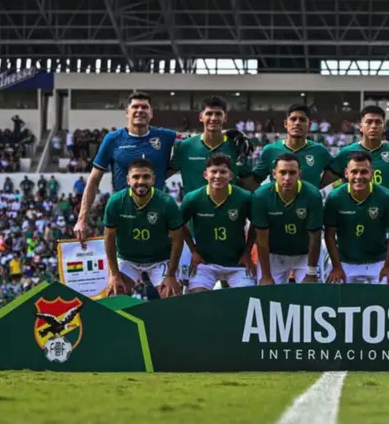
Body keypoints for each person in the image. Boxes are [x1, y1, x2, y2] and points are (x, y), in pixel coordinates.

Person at [75, 91, 183, 241]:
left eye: (144, 107)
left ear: (151, 113)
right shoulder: (112, 139)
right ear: (127, 112)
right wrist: (81, 219)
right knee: (119, 254)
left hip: (157, 214)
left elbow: (195, 143)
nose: (140, 110)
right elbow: (93, 180)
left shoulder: (165, 136)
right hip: (123, 215)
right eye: (135, 107)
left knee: (159, 253)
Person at [102, 159, 185, 298]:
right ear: (128, 180)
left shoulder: (166, 202)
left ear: (153, 180)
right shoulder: (116, 201)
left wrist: (171, 275)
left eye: (146, 176)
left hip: (159, 260)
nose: (141, 181)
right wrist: (114, 275)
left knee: (171, 296)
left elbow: (177, 240)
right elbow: (109, 239)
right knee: (114, 294)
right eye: (136, 177)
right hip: (127, 259)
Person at [180, 154, 255, 292]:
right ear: (205, 175)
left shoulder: (245, 197)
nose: (218, 176)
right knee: (198, 299)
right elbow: (178, 226)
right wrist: (193, 250)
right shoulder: (192, 199)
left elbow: (257, 225)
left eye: (223, 172)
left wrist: (247, 252)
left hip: (237, 263)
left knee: (246, 299)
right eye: (213, 172)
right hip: (205, 263)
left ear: (231, 175)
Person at [324, 152, 389, 284]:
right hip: (344, 262)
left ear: (372, 173)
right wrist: (336, 267)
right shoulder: (335, 197)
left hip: (379, 261)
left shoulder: (386, 196)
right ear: (346, 173)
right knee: (335, 292)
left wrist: (388, 265)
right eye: (354, 172)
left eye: (364, 172)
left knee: (387, 292)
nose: (359, 177)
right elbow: (329, 234)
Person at [251, 153, 324, 285]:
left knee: (312, 293)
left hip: (306, 254)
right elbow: (261, 239)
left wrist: (311, 272)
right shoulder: (261, 196)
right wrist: (266, 275)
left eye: (292, 173)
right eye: (283, 172)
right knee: (267, 293)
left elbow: (315, 236)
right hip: (274, 254)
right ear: (274, 174)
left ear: (299, 174)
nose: (287, 178)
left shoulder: (313, 195)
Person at [169, 95, 254, 193]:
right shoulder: (185, 147)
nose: (213, 118)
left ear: (225, 117)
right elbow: (162, 175)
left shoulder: (236, 147)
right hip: (192, 203)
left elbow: (250, 184)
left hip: (227, 203)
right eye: (209, 113)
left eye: (218, 114)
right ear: (201, 117)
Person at [248, 104, 338, 189]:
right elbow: (254, 180)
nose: (297, 123)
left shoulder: (320, 150)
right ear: (285, 124)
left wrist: (317, 188)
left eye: (302, 119)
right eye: (293, 119)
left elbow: (336, 171)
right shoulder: (270, 150)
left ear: (309, 125)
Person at [328, 105, 389, 191]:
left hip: (386, 200)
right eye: (369, 122)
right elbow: (323, 182)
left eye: (378, 122)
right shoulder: (345, 153)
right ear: (360, 127)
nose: (373, 126)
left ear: (384, 127)